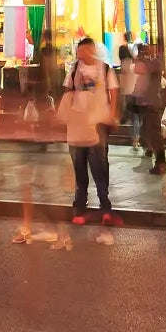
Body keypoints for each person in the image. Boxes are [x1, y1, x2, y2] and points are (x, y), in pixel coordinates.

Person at [61, 38, 119, 228]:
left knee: (99, 164)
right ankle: (80, 203)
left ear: (91, 50)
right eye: (79, 51)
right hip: (78, 123)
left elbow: (114, 92)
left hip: (98, 122)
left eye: (83, 50)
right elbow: (67, 90)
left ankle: (105, 204)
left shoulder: (105, 68)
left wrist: (111, 114)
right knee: (79, 163)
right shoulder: (75, 68)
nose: (80, 54)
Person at [133, 47, 166, 174]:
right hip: (146, 103)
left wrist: (141, 59)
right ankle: (154, 156)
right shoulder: (151, 64)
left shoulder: (155, 63)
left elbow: (139, 68)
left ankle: (161, 163)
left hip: (151, 103)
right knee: (148, 131)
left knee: (155, 134)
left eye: (145, 52)